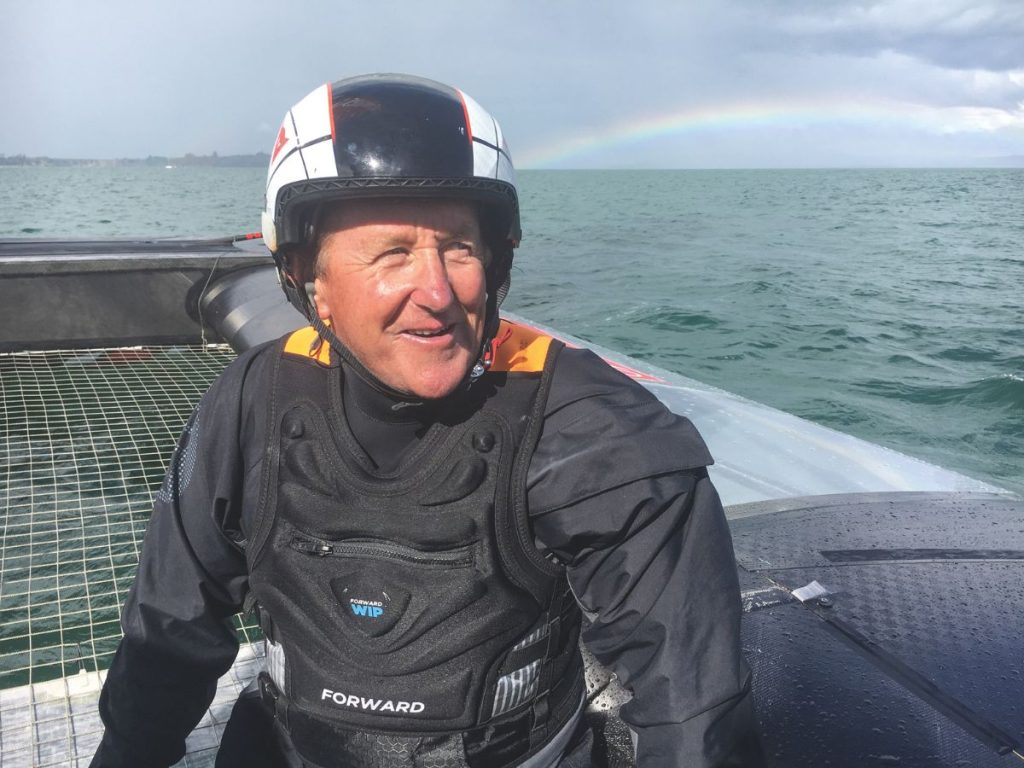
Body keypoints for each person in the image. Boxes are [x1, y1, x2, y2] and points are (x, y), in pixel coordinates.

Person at [90, 74, 764, 768]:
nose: (436, 292)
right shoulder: (252, 402)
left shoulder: (597, 432)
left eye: (459, 248)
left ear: (496, 261)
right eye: (391, 254)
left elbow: (692, 711)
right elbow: (172, 626)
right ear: (305, 273)